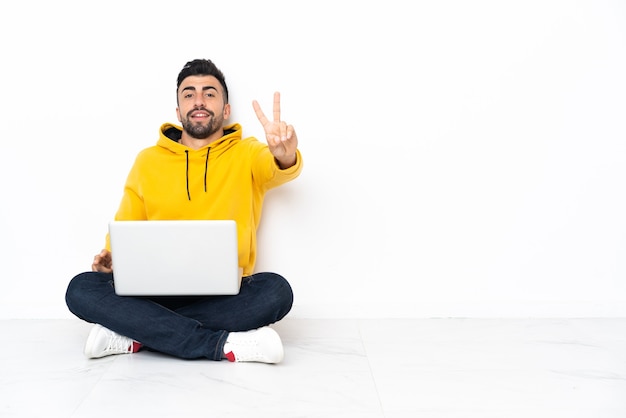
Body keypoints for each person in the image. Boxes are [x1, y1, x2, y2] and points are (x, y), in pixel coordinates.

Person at [65, 58, 303, 364]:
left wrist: (284, 154)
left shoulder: (248, 152)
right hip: (152, 292)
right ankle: (218, 344)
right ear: (178, 111)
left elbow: (279, 168)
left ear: (225, 109)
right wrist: (110, 259)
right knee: (81, 288)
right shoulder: (148, 161)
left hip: (226, 293)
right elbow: (126, 224)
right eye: (189, 94)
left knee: (276, 292)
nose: (199, 101)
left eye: (210, 93)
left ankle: (135, 332)